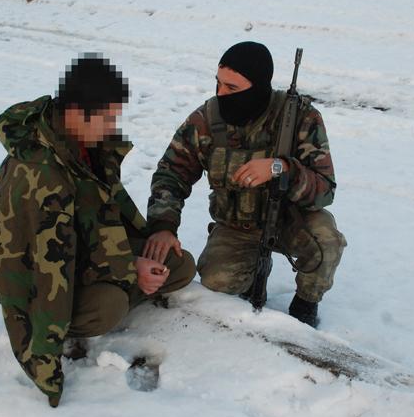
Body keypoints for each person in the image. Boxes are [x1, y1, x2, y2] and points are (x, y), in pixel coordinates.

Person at [0, 54, 196, 407]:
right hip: (33, 279)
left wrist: (153, 238)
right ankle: (118, 291)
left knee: (177, 262)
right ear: (76, 112)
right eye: (108, 118)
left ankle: (125, 284)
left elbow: (107, 213)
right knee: (109, 305)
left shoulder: (84, 142)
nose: (113, 127)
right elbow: (50, 268)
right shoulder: (40, 175)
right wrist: (45, 367)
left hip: (83, 247)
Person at [145, 42, 346, 328]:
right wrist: (164, 226)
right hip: (237, 225)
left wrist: (281, 167)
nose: (221, 94)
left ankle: (306, 304)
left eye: (232, 88)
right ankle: (249, 276)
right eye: (218, 84)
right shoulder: (206, 120)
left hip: (291, 220)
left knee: (326, 241)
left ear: (259, 87)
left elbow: (325, 189)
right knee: (216, 283)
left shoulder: (300, 117)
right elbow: (170, 174)